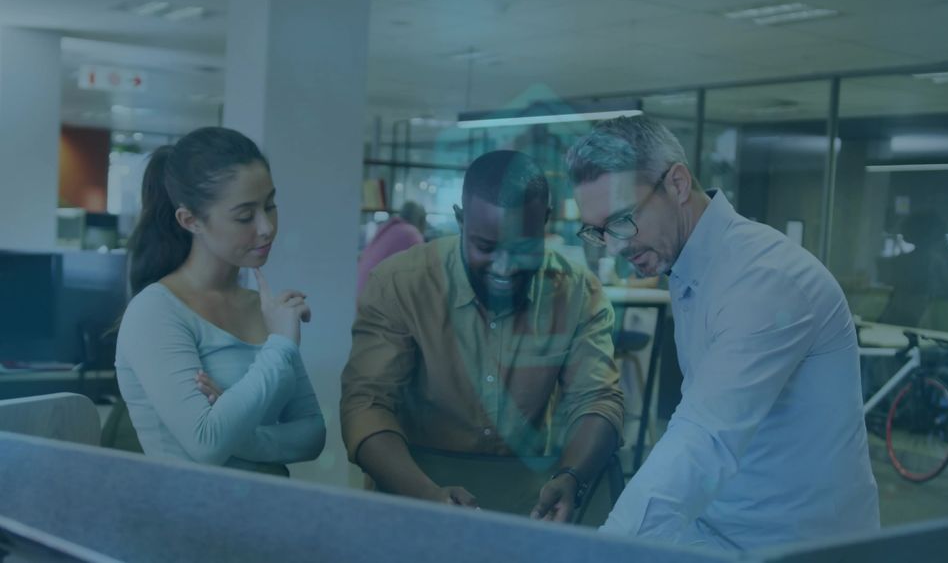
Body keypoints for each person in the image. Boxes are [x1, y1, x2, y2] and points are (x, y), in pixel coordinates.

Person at [566, 115, 878, 551]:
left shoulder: (766, 279)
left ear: (676, 184)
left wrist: (599, 551)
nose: (615, 247)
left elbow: (703, 437)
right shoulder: (689, 265)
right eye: (599, 232)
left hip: (797, 545)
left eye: (622, 220)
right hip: (720, 529)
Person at [341, 150, 623, 521]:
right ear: (460, 221)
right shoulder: (401, 284)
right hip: (413, 487)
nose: (504, 268)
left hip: (532, 503)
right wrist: (425, 494)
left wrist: (571, 476)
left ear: (545, 223)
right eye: (486, 247)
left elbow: (598, 401)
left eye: (522, 248)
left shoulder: (578, 293)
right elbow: (366, 404)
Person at [115, 127, 325, 476]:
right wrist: (281, 346)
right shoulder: (155, 312)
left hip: (274, 516)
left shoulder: (264, 308)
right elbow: (207, 443)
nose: (267, 227)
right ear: (190, 220)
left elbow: (313, 435)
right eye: (245, 216)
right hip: (193, 521)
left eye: (270, 206)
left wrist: (239, 430)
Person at [878, 211, 948, 326]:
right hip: (918, 312)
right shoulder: (935, 261)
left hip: (893, 309)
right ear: (937, 234)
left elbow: (891, 283)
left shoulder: (899, 260)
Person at [356, 201, 427, 297]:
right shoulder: (411, 235)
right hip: (373, 303)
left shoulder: (388, 228)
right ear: (422, 221)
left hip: (358, 297)